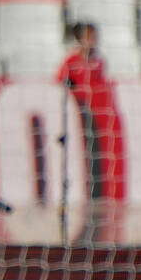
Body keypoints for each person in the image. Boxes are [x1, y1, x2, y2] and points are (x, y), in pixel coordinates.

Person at [56, 22, 124, 200]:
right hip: (79, 115)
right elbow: (59, 82)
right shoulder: (71, 61)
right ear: (80, 39)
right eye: (89, 36)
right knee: (81, 154)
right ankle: (82, 191)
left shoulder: (99, 61)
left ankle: (99, 192)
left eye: (94, 36)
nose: (93, 40)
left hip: (97, 116)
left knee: (98, 154)